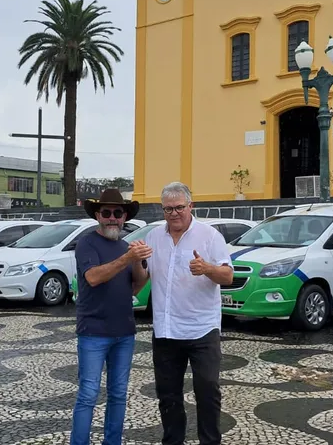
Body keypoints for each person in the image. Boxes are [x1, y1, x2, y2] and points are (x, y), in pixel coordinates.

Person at [143, 181, 234, 445]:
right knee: (167, 396)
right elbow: (142, 276)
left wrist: (207, 268)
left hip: (202, 330)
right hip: (166, 330)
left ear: (190, 206)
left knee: (207, 392)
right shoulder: (153, 237)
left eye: (179, 207)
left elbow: (228, 275)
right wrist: (134, 262)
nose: (174, 213)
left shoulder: (209, 236)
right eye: (168, 209)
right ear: (162, 210)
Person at [70, 188, 152, 445]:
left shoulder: (126, 247)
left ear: (125, 217)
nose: (113, 218)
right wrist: (127, 258)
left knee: (118, 395)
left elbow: (136, 286)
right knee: (88, 394)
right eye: (107, 213)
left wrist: (137, 261)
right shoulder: (87, 243)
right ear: (98, 215)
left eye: (118, 213)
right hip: (93, 332)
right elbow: (93, 277)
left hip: (124, 333)